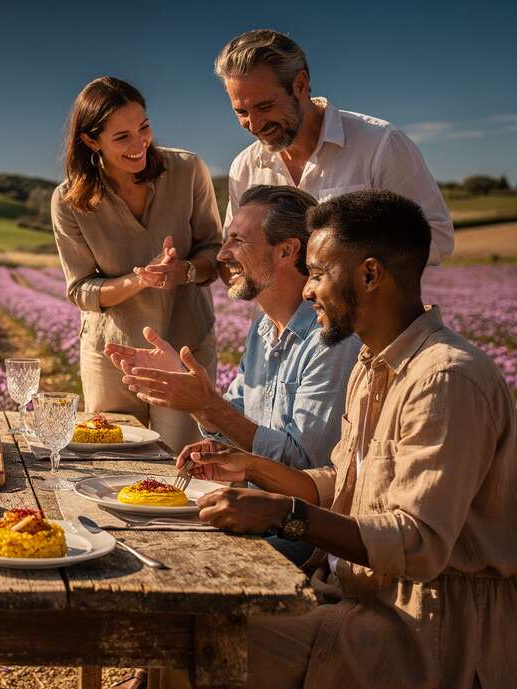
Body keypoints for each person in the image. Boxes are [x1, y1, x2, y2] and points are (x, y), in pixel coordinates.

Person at [158, 189, 517, 689]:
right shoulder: (372, 362)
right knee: (188, 625)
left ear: (370, 275)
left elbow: (418, 542)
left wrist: (284, 514)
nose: (307, 289)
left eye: (317, 273)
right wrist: (251, 466)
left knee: (190, 646)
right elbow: (347, 482)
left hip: (429, 636)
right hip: (367, 599)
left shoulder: (445, 379)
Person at [107, 185, 361, 567]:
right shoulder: (262, 328)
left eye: (237, 241)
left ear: (287, 251)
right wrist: (196, 397)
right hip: (247, 514)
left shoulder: (332, 341)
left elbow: (306, 471)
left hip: (296, 535)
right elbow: (236, 425)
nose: (222, 255)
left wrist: (208, 405)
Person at [52, 76, 221, 452]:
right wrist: (140, 280)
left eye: (143, 128)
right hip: (113, 354)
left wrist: (185, 271)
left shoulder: (187, 170)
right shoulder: (68, 201)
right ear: (91, 141)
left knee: (185, 462)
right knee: (114, 458)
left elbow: (214, 251)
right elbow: (81, 290)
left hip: (185, 346)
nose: (139, 143)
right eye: (122, 137)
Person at [216, 29, 454, 265]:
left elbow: (437, 238)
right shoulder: (243, 167)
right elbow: (232, 256)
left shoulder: (380, 143)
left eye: (265, 107)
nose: (254, 124)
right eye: (242, 112)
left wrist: (347, 263)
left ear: (300, 85)